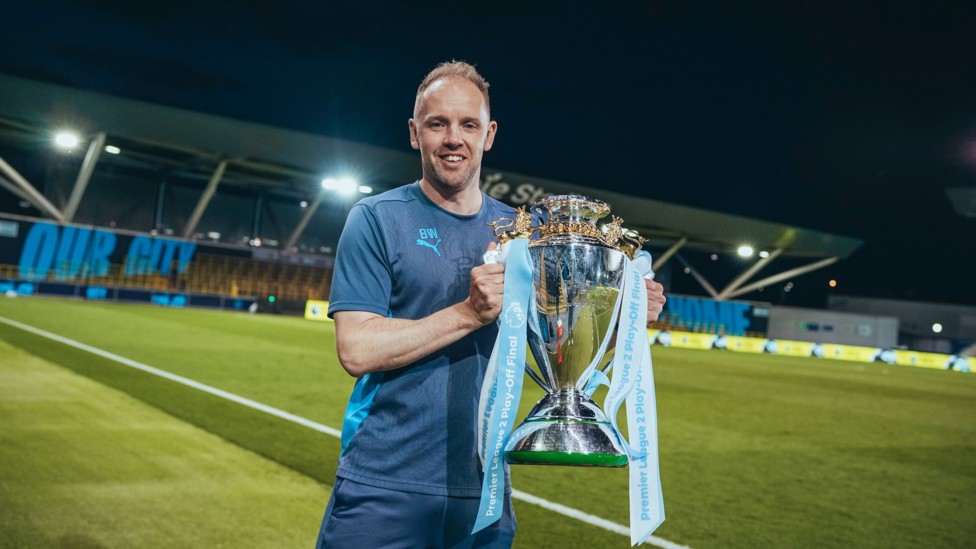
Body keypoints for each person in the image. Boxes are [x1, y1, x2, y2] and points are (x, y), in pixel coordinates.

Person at [315, 60, 667, 549]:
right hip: (384, 486)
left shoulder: (525, 237)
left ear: (490, 134)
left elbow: (559, 347)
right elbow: (356, 349)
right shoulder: (375, 219)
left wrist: (625, 318)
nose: (453, 138)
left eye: (468, 125)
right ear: (415, 133)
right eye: (437, 123)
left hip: (485, 494)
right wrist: (467, 313)